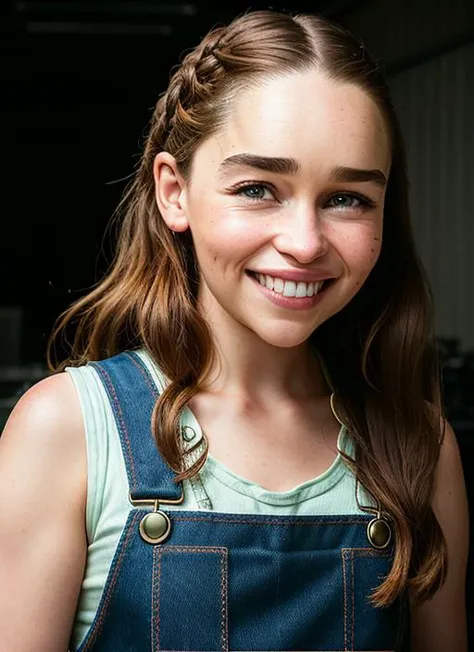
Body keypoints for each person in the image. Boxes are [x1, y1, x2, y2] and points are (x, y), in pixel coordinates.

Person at [0, 8, 468, 652]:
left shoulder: (419, 446)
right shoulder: (68, 431)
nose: (304, 243)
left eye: (346, 199)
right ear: (174, 192)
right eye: (257, 188)